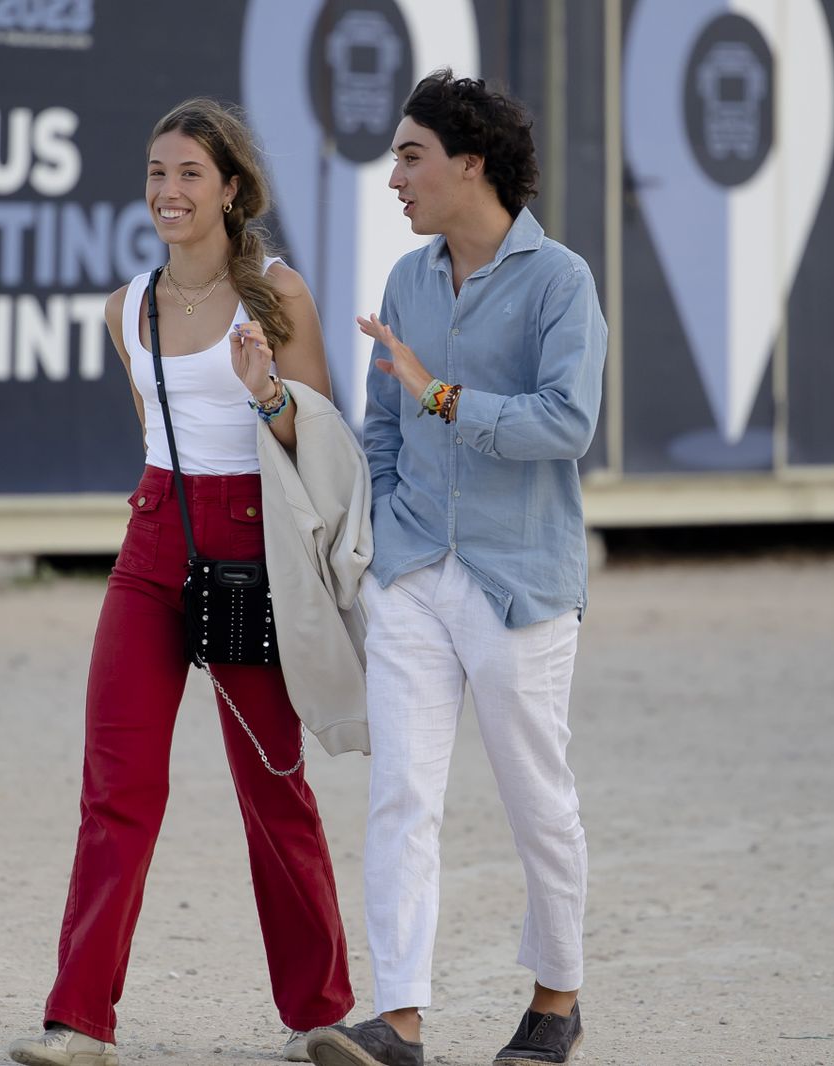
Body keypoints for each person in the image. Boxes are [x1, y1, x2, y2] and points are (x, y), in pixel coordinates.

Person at [8, 98, 355, 1066]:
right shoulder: (127, 306)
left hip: (252, 547)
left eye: (190, 174)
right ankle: (79, 1022)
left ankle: (321, 1013)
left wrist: (267, 394)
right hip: (156, 539)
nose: (168, 191)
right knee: (116, 785)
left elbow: (321, 442)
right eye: (157, 172)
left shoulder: (276, 294)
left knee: (273, 783)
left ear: (231, 189)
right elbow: (156, 434)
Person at [306, 71, 606, 1066]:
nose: (394, 177)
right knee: (401, 796)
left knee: (537, 802)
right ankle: (397, 1020)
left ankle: (555, 1001)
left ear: (470, 162)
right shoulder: (407, 279)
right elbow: (383, 423)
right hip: (412, 576)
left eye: (410, 156)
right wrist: (390, 544)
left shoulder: (561, 280)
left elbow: (567, 423)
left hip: (520, 585)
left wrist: (443, 396)